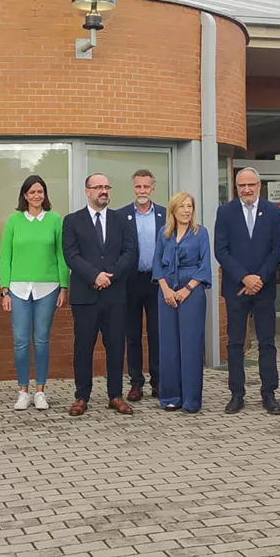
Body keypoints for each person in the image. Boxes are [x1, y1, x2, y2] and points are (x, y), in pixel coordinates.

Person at [62, 173, 136, 417]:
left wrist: (109, 276)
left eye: (106, 186)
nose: (103, 191)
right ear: (87, 191)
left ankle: (115, 395)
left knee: (116, 345)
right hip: (86, 295)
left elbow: (129, 252)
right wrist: (95, 276)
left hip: (114, 295)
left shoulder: (122, 220)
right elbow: (71, 255)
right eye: (98, 187)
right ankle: (81, 396)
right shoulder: (72, 221)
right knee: (83, 347)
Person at [213, 167, 280, 415]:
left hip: (264, 289)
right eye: (241, 185)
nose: (246, 189)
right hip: (236, 288)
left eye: (250, 185)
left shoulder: (273, 212)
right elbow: (220, 250)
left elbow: (277, 250)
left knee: (267, 342)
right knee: (235, 343)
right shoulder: (225, 212)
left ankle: (269, 393)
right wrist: (244, 277)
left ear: (259, 185)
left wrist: (259, 278)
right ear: (236, 187)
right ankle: (237, 394)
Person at [0, 175, 69, 411]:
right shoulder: (14, 220)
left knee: (41, 340)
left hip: (47, 288)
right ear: (25, 195)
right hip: (18, 288)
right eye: (32, 192)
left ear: (45, 194)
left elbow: (61, 255)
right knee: (20, 341)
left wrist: (64, 286)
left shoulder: (55, 220)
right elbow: (5, 256)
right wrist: (5, 289)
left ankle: (40, 391)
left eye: (40, 191)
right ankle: (23, 391)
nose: (36, 196)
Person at [152, 192, 211, 413]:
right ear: (173, 210)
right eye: (182, 207)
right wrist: (166, 289)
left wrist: (186, 289)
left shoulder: (200, 233)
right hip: (166, 291)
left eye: (190, 206)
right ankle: (170, 396)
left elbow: (205, 265)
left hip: (192, 292)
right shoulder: (164, 233)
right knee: (168, 344)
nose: (187, 210)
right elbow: (156, 262)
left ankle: (191, 399)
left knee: (191, 345)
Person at [117, 169, 165, 402]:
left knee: (157, 334)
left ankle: (158, 382)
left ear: (153, 189)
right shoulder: (121, 215)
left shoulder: (165, 215)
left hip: (158, 281)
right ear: (133, 188)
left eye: (146, 187)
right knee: (132, 335)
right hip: (131, 281)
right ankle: (136, 383)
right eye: (138, 187)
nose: (142, 191)